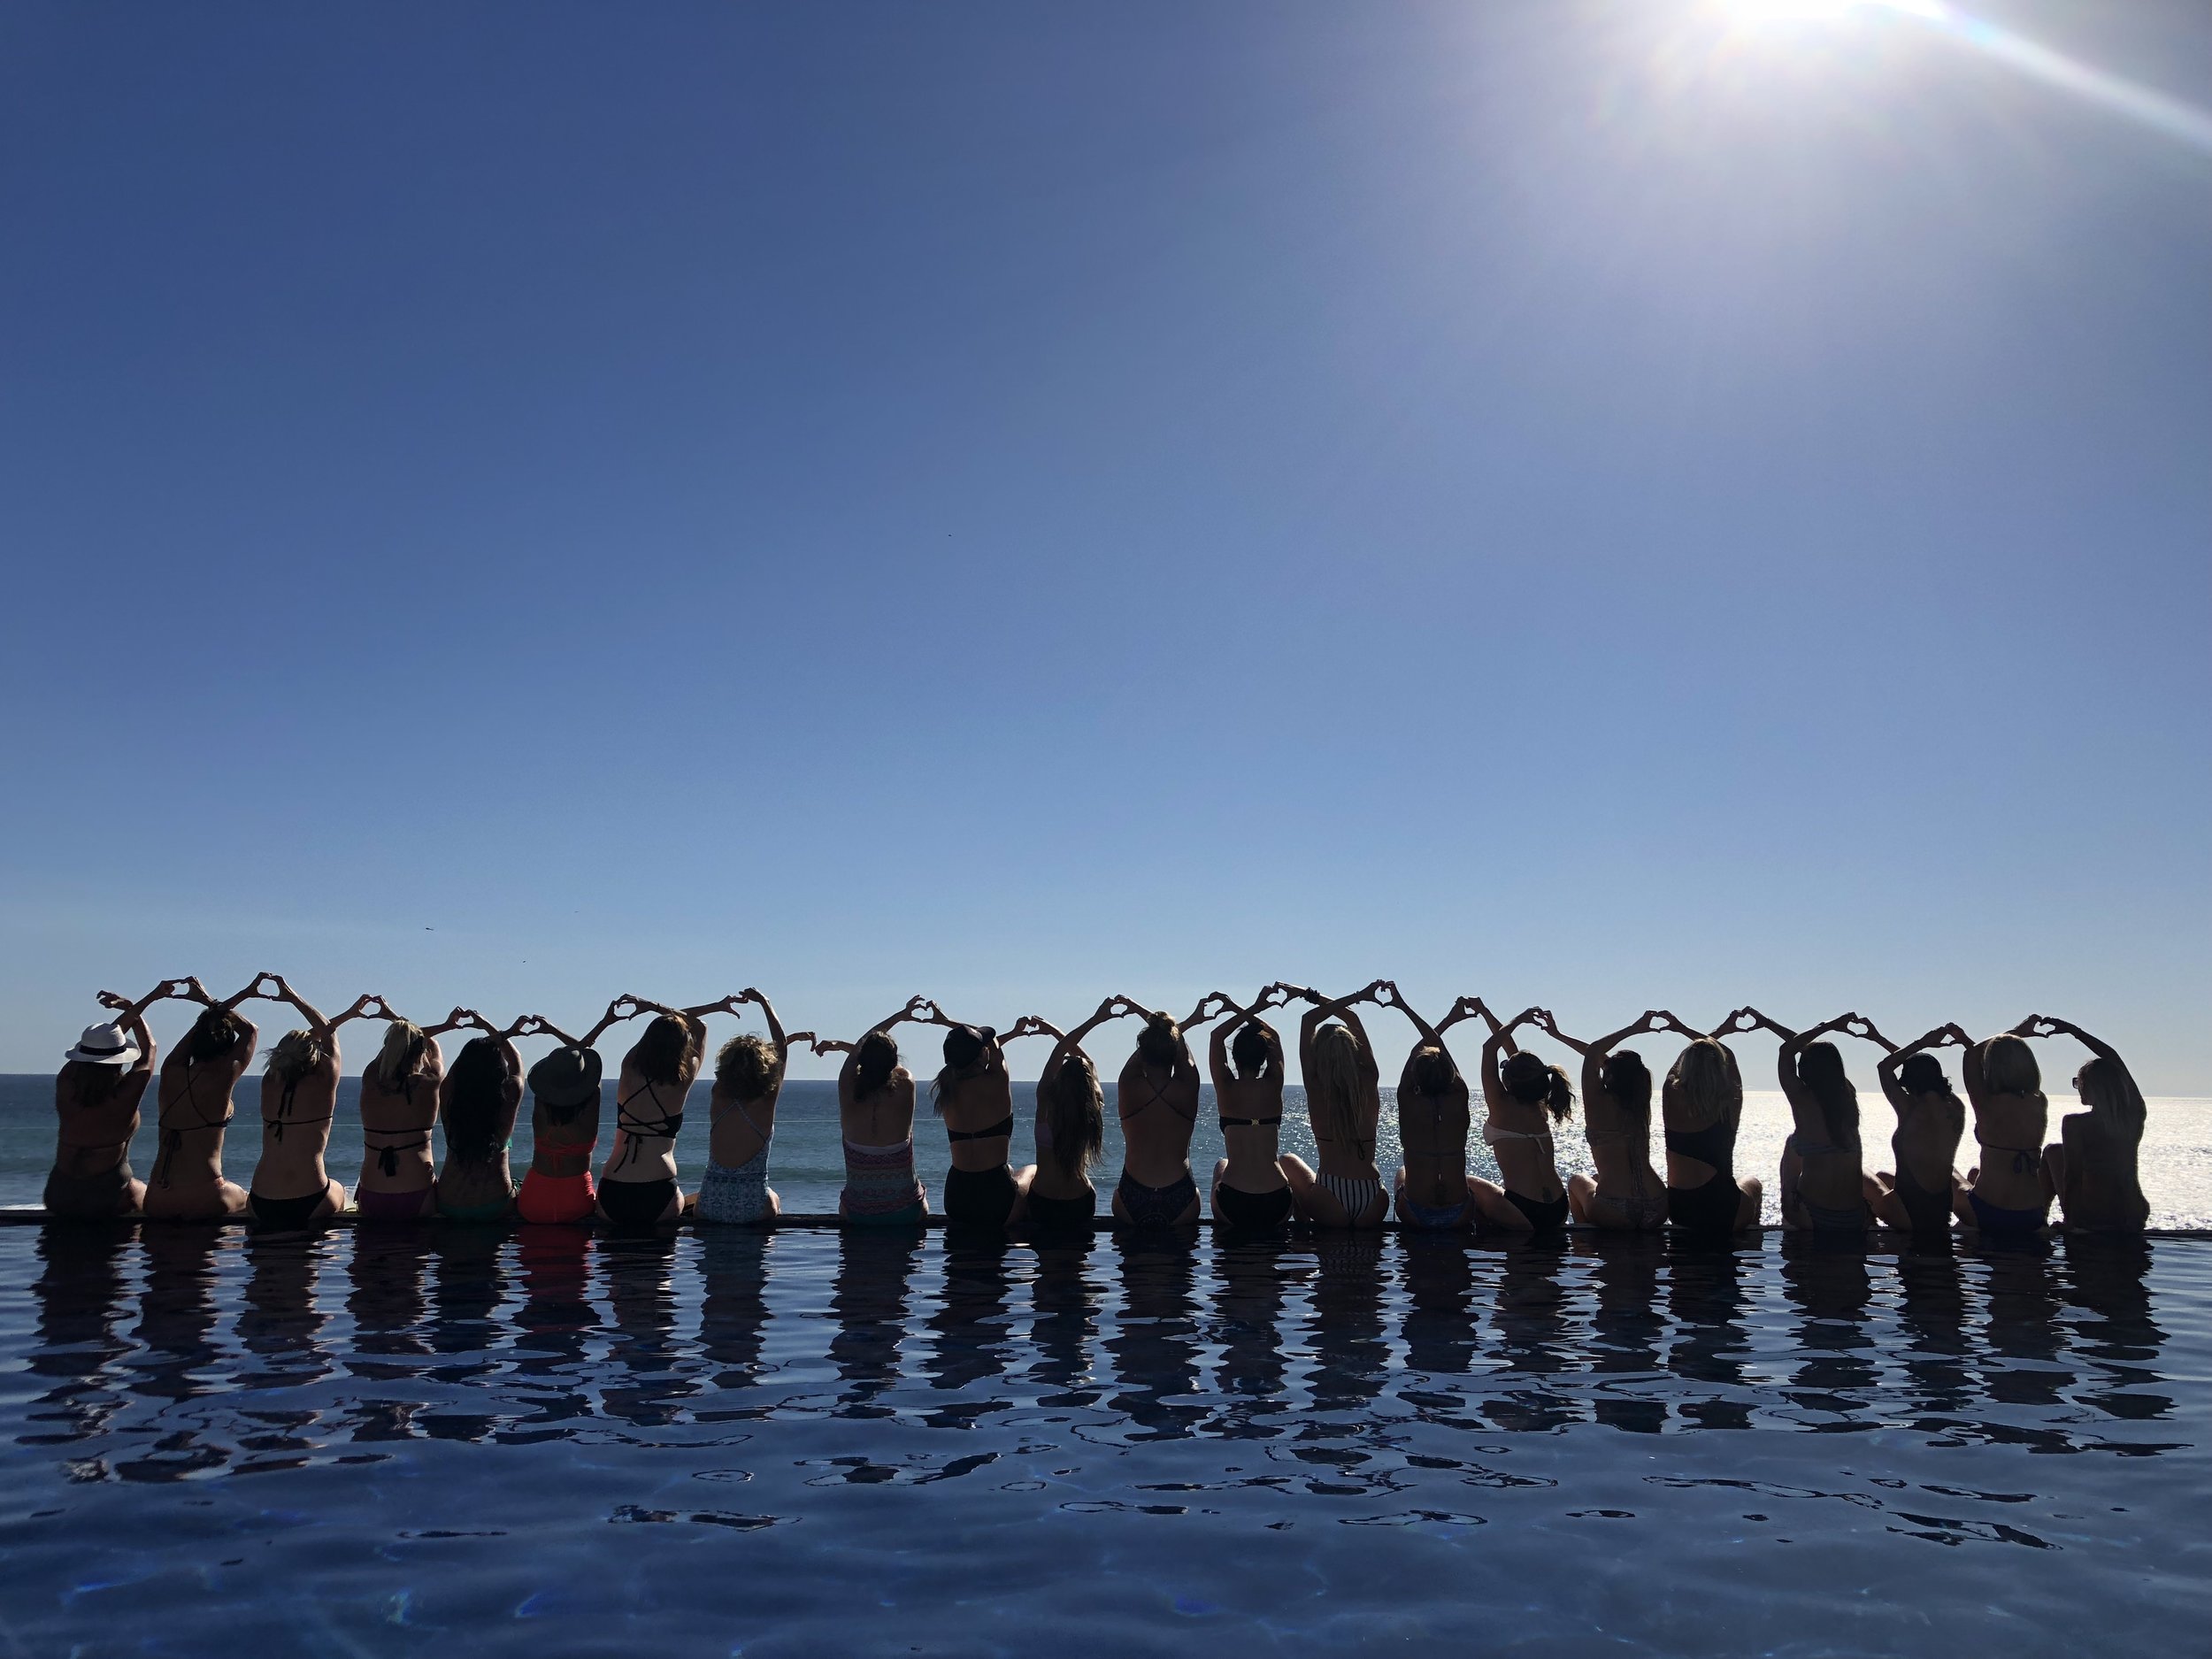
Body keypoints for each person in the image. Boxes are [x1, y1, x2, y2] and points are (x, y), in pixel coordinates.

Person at [1542, 1009, 1693, 1233]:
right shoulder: (1640, 1101)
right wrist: (1559, 1035)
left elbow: (1594, 1052)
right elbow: (1599, 1057)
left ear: (1610, 1076)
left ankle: (1586, 1245)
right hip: (1658, 1204)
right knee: (1595, 1178)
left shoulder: (1598, 1103)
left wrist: (1635, 1028)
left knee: (1576, 1180)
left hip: (1614, 1208)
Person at [248, 976, 377, 1229]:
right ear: (313, 1054)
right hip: (310, 1199)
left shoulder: (269, 1081)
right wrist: (293, 997)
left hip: (260, 1200)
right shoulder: (324, 1077)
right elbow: (327, 1031)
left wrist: (347, 1015)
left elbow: (300, 1044)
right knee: (339, 1189)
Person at [1388, 992, 1522, 1232]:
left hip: (1415, 1212)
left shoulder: (1409, 1103)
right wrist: (1453, 1019)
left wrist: (1405, 1007)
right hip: (1460, 1210)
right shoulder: (1459, 1099)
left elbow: (1414, 1052)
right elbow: (1443, 1052)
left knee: (1402, 1172)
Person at [48, 982, 182, 1217]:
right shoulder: (125, 1096)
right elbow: (149, 1047)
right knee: (151, 1196)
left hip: (58, 1192)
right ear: (119, 1059)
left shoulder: (66, 1084)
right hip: (107, 1195)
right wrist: (140, 1003)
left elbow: (100, 1046)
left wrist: (137, 1006)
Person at [1747, 1009, 1882, 1235]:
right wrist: (1769, 1024)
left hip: (1811, 1217)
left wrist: (1828, 1025)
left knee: (1793, 1143)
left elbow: (1788, 1050)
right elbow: (1802, 1049)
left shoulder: (1801, 1098)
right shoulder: (1847, 1095)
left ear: (1805, 1069)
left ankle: (1789, 1213)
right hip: (1855, 1217)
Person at [1005, 997, 1134, 1233]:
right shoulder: (1092, 1112)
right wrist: (1092, 1021)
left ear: (1060, 1080)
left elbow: (1060, 1050)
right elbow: (1091, 1065)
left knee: (1030, 1170)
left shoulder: (1045, 1102)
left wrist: (1062, 1030)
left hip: (1043, 1202)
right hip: (1081, 1202)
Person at [350, 1000, 488, 1221]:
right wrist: (446, 1026)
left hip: (372, 1191)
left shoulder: (371, 1079)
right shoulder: (431, 1081)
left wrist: (397, 1020)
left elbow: (399, 1044)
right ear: (419, 1052)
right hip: (418, 1191)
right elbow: (425, 1043)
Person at [144, 976, 265, 1221]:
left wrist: (209, 1009)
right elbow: (250, 1030)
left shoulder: (171, 1071)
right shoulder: (223, 1076)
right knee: (251, 1200)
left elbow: (200, 1032)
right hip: (207, 1194)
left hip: (157, 1196)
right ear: (226, 1048)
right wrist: (210, 1001)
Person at [518, 996, 646, 1225]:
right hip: (575, 1199)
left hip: (533, 1198)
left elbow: (576, 1060)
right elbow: (583, 1060)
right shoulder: (590, 1108)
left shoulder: (540, 1109)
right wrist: (602, 1024)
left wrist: (599, 1025)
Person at [1279, 982, 1390, 1228]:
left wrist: (1305, 994)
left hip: (1330, 1196)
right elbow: (1351, 1016)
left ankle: (1302, 1233)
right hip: (1373, 1198)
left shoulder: (1316, 1085)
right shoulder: (1369, 1077)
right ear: (1353, 1049)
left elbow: (1308, 1021)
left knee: (1286, 1160)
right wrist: (1360, 995)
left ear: (1319, 1053)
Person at [689, 991, 803, 1225]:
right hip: (755, 1208)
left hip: (710, 1205)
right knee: (775, 1198)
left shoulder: (718, 1095)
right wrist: (765, 1003)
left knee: (694, 1199)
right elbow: (781, 1048)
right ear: (766, 1070)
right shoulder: (766, 1102)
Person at [598, 1000, 712, 1229]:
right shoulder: (684, 1077)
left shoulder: (628, 1066)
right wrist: (654, 1006)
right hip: (659, 1189)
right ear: (682, 1045)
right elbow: (701, 1027)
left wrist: (651, 1009)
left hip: (612, 1189)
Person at [2030, 1016, 2150, 1233]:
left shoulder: (2076, 1124)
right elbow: (2114, 1059)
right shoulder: (2133, 1115)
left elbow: (2072, 1177)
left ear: (2091, 1087)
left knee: (2050, 1152)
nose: (2078, 1088)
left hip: (2094, 1215)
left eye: (2079, 1082)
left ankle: (2038, 1219)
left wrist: (2071, 1223)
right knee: (2055, 1151)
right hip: (2133, 1212)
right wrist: (2076, 1032)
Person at [826, 997, 936, 1226]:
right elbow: (872, 1058)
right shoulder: (906, 1084)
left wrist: (898, 1016)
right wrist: (904, 1017)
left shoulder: (847, 1087)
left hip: (857, 1212)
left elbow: (860, 1047)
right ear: (893, 1061)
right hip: (907, 1210)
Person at [1112, 995, 1220, 1228]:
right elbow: (1175, 1043)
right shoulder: (1187, 1085)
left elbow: (1151, 1045)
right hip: (1180, 1196)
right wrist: (1180, 1025)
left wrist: (1158, 1028)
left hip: (1131, 1194)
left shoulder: (1128, 1084)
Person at [927, 1011, 1030, 1233]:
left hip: (956, 1199)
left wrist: (1013, 1034)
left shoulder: (947, 1089)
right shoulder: (997, 1081)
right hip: (996, 1203)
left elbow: (984, 1047)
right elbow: (992, 1044)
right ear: (981, 1055)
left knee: (1010, 1170)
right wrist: (945, 1021)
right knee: (1032, 1170)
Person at [1477, 1005, 1576, 1233]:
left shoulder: (1500, 1104)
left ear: (1508, 1081)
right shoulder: (1540, 1105)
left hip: (1524, 1210)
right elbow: (1509, 1051)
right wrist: (1485, 1012)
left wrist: (1520, 1018)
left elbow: (1490, 1047)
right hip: (1559, 1208)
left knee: (1466, 1184)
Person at [1663, 1015, 1763, 1236]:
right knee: (1753, 1183)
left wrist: (1683, 1030)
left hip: (1680, 1210)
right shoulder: (1730, 1101)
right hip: (1725, 1213)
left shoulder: (1671, 1097)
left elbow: (1679, 1063)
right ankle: (1750, 1242)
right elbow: (1730, 1056)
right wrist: (1720, 1033)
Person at [1209, 988, 1296, 1233]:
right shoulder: (1273, 1084)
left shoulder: (1226, 1088)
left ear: (1234, 1058)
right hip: (1278, 1203)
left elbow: (1216, 1036)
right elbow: (1275, 1036)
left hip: (1233, 1204)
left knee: (1221, 1165)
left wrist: (1244, 1007)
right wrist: (1251, 1008)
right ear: (1263, 1058)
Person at [1870, 1025, 1971, 1235]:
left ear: (1908, 1082)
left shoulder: (1909, 1108)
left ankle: (1859, 1227)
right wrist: (1879, 1039)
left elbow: (1885, 1068)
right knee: (1883, 1176)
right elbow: (1917, 1067)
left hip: (1909, 1216)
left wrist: (1923, 1042)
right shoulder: (1956, 1107)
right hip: (1939, 1214)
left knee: (1857, 1173)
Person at [1958, 1023, 2054, 1236]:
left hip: (1989, 1211)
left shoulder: (1987, 1102)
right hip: (2032, 1213)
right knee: (1974, 1172)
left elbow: (1971, 1056)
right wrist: (2016, 1038)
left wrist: (2017, 1031)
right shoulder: (2040, 1102)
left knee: (1947, 1174)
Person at [436, 1019, 527, 1220]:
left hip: (448, 1201)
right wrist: (502, 1033)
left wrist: (487, 1042)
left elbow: (458, 1067)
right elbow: (516, 1062)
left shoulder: (450, 1097)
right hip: (495, 1203)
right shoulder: (508, 1097)